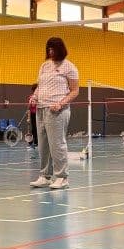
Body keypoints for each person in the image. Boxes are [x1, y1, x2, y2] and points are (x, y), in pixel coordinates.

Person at [30, 37, 79, 190]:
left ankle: (62, 177)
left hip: (57, 111)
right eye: (48, 49)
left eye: (53, 49)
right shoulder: (44, 66)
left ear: (60, 50)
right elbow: (39, 86)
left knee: (57, 144)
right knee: (43, 145)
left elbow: (75, 91)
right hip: (41, 109)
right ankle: (45, 176)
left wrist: (60, 103)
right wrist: (34, 97)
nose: (50, 52)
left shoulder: (69, 67)